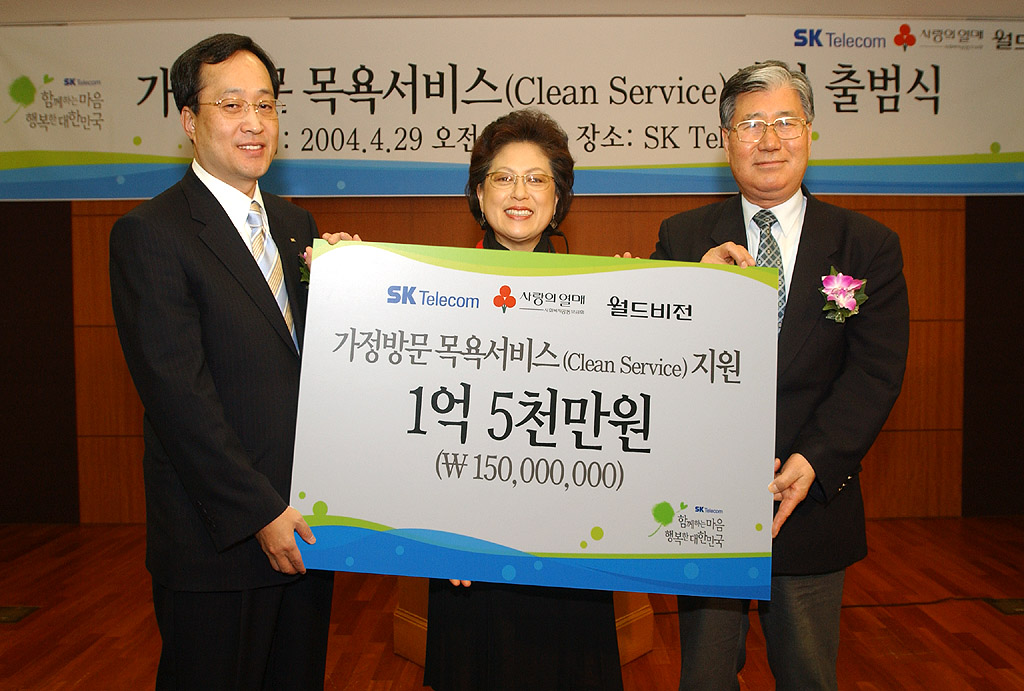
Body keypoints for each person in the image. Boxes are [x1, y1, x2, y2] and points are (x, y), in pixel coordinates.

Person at [650, 61, 910, 690]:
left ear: (811, 133)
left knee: (809, 676)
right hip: (703, 505)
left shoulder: (864, 244)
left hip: (811, 497)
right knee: (705, 678)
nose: (769, 139)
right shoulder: (683, 239)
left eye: (786, 121)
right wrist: (693, 291)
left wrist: (816, 459)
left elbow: (874, 370)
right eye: (751, 124)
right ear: (725, 139)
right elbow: (651, 362)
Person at [109, 33, 350, 689]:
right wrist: (259, 513)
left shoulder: (296, 224)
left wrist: (354, 287)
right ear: (190, 120)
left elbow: (313, 364)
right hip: (220, 538)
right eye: (232, 104)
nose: (254, 123)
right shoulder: (151, 234)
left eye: (266, 105)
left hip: (305, 528)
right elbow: (179, 399)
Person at [423, 109, 623, 691]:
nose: (519, 193)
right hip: (465, 555)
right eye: (503, 177)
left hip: (570, 554)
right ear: (477, 191)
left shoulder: (602, 297)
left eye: (537, 179)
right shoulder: (431, 294)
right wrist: (438, 534)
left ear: (558, 197)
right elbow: (412, 427)